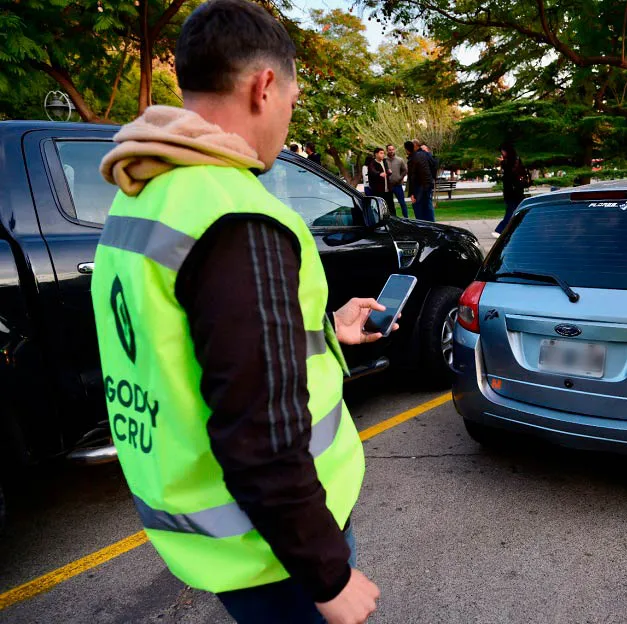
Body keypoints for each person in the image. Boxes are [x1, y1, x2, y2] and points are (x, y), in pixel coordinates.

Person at [92, 1, 382, 622]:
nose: (286, 119)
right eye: (292, 101)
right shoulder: (234, 213)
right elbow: (259, 431)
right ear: (264, 85)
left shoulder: (148, 194)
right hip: (275, 555)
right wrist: (329, 578)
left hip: (220, 535)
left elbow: (199, 349)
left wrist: (326, 331)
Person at [493, 142, 527, 238]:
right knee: (517, 210)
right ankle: (516, 228)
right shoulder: (514, 160)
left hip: (513, 191)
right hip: (515, 190)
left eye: (503, 151)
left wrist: (503, 163)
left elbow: (510, 174)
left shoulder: (511, 161)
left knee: (511, 210)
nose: (502, 153)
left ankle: (500, 229)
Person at [404, 140, 435, 222]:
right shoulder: (424, 154)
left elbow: (412, 177)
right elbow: (433, 164)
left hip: (420, 186)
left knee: (418, 208)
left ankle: (421, 225)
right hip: (427, 184)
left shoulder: (412, 159)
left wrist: (412, 193)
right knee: (428, 207)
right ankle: (431, 224)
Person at [367, 147, 395, 215]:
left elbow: (387, 171)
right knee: (381, 207)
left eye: (383, 153)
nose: (383, 155)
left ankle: (394, 219)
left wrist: (389, 172)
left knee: (391, 206)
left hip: (388, 189)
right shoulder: (372, 163)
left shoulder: (384, 161)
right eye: (381, 153)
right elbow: (373, 172)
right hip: (379, 190)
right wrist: (379, 174)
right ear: (376, 154)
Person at [385, 144, 408, 218]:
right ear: (387, 150)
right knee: (390, 204)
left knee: (402, 203)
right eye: (389, 150)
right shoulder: (384, 160)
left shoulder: (400, 160)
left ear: (394, 150)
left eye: (392, 149)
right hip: (388, 186)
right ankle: (393, 218)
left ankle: (406, 218)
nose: (391, 151)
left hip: (398, 185)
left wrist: (400, 178)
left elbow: (404, 170)